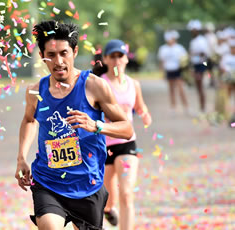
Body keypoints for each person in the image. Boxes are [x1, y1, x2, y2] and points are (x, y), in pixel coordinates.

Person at [15, 20, 134, 230]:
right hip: (48, 181)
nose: (58, 61)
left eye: (64, 53)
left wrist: (96, 125)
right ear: (43, 56)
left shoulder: (94, 86)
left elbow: (126, 128)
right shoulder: (35, 91)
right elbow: (29, 120)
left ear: (75, 51)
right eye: (51, 55)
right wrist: (22, 158)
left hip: (87, 184)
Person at [97, 39, 152, 230]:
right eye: (112, 56)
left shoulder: (133, 84)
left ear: (126, 59)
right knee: (108, 198)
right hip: (103, 146)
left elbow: (139, 106)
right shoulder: (99, 84)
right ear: (105, 59)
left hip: (127, 143)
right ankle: (109, 210)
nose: (116, 60)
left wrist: (145, 115)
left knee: (127, 193)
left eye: (120, 56)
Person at [158, 30, 190, 115]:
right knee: (171, 89)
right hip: (169, 70)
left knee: (180, 89)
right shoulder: (163, 49)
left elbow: (185, 60)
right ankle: (173, 107)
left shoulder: (179, 48)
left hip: (178, 70)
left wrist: (185, 71)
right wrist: (162, 72)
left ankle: (186, 106)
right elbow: (162, 61)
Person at [187, 19, 211, 114]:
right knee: (198, 87)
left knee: (200, 86)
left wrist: (194, 54)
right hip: (196, 65)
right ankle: (201, 107)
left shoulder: (201, 40)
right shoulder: (194, 41)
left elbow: (204, 53)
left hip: (201, 65)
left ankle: (203, 108)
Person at [219, 39, 235, 126]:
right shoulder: (226, 57)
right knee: (227, 99)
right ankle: (229, 118)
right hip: (229, 82)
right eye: (232, 47)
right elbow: (222, 68)